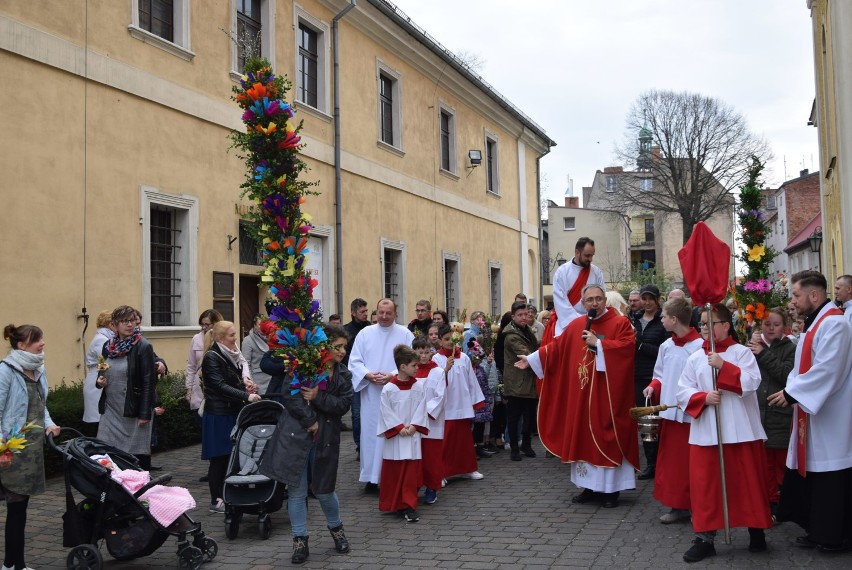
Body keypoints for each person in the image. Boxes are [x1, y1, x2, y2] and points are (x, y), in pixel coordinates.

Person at [517, 284, 638, 508]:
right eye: (589, 299)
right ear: (583, 303)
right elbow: (556, 348)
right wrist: (533, 359)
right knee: (583, 438)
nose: (594, 303)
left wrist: (599, 344)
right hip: (582, 397)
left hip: (607, 397)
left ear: (605, 301)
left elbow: (627, 349)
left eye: (598, 299)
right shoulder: (576, 325)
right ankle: (589, 487)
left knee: (606, 437)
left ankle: (611, 492)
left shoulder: (620, 323)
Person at [677, 303, 770, 562]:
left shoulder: (741, 353)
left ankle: (756, 531)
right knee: (707, 487)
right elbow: (682, 390)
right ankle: (705, 538)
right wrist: (703, 397)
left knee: (747, 483)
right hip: (707, 431)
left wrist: (724, 367)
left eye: (710, 323)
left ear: (726, 325)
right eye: (702, 324)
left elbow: (752, 383)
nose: (705, 329)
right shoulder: (695, 356)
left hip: (741, 429)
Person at [769, 270, 852, 553]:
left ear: (814, 295)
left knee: (831, 477)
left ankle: (834, 536)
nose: (793, 301)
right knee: (814, 474)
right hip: (813, 413)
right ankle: (817, 530)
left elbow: (828, 368)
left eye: (796, 295)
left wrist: (793, 393)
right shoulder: (815, 323)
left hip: (832, 416)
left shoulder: (835, 325)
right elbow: (802, 366)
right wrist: (792, 388)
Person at [259, 324, 352, 564]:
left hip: (326, 440)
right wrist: (310, 420)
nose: (342, 351)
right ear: (324, 345)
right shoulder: (304, 365)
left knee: (324, 489)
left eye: (344, 347)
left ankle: (337, 531)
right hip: (297, 437)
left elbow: (343, 405)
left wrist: (317, 397)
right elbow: (290, 394)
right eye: (337, 346)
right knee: (297, 492)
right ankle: (300, 540)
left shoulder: (343, 374)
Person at [0, 324, 61, 570]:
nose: (43, 343)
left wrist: (49, 424)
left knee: (20, 509)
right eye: (37, 339)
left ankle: (14, 564)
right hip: (10, 449)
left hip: (31, 450)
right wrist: (2, 449)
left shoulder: (38, 368)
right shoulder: (6, 371)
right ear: (21, 345)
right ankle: (13, 565)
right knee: (16, 508)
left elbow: (40, 404)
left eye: (42, 338)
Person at [641, 298, 702, 524]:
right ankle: (678, 506)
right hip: (670, 414)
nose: (662, 320)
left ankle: (699, 507)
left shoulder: (700, 346)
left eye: (664, 316)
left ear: (674, 319)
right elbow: (660, 375)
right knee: (673, 465)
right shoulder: (666, 346)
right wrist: (652, 387)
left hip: (692, 415)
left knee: (694, 465)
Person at [348, 299, 415, 493]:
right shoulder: (365, 334)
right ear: (375, 313)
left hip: (397, 394)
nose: (384, 317)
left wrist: (393, 375)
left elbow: (412, 362)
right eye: (381, 312)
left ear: (395, 313)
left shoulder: (404, 334)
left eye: (388, 313)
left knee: (393, 434)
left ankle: (393, 476)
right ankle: (371, 477)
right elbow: (355, 361)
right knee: (371, 435)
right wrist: (367, 375)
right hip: (371, 394)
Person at [200, 321, 260, 513]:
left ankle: (230, 492)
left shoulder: (231, 355)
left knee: (231, 456)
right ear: (220, 338)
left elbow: (232, 381)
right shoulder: (212, 357)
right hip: (218, 414)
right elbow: (219, 385)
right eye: (232, 335)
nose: (236, 338)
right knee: (219, 458)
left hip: (230, 411)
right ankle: (215, 499)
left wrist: (246, 386)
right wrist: (246, 395)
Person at [95, 306, 158, 470]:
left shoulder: (143, 346)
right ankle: (113, 489)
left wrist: (144, 413)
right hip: (111, 408)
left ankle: (140, 490)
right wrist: (100, 380)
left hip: (134, 409)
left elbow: (148, 382)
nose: (130, 325)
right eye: (124, 321)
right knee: (107, 451)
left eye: (132, 321)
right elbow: (102, 369)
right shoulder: (108, 346)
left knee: (136, 456)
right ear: (114, 325)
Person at [748, 307, 795, 516]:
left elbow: (786, 375)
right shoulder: (753, 346)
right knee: (764, 464)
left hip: (780, 415)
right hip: (758, 414)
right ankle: (769, 502)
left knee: (780, 464)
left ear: (784, 326)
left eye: (776, 325)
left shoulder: (790, 348)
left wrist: (764, 354)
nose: (771, 329)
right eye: (767, 324)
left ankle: (783, 502)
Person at [377, 345, 429, 523]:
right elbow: (385, 412)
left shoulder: (418, 387)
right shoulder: (389, 389)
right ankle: (396, 503)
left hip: (412, 435)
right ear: (402, 367)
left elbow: (422, 408)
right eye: (414, 365)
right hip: (397, 436)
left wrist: (414, 426)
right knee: (395, 472)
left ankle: (409, 505)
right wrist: (399, 427)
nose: (417, 368)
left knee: (410, 472)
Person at [433, 323, 485, 481]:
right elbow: (434, 382)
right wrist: (445, 369)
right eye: (446, 339)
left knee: (464, 441)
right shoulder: (436, 359)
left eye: (452, 339)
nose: (450, 342)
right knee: (446, 442)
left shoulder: (464, 358)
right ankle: (441, 473)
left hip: (462, 404)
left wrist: (476, 401)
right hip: (446, 406)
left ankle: (468, 468)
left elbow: (471, 380)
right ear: (440, 342)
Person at [632, 284, 668, 480]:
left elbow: (664, 352)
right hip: (637, 377)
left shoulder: (663, 322)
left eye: (650, 299)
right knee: (646, 422)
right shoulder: (634, 320)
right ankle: (651, 463)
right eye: (643, 298)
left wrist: (640, 346)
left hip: (655, 377)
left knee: (659, 421)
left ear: (657, 300)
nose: (646, 302)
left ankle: (663, 461)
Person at [547, 237, 606, 341]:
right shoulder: (562, 272)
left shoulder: (596, 272)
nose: (590, 259)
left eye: (592, 255)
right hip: (568, 323)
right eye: (587, 255)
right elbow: (561, 303)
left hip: (594, 322)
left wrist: (592, 320)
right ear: (577, 252)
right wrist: (581, 321)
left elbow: (602, 298)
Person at [502, 302, 540, 462]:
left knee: (529, 415)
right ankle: (515, 449)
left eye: (526, 314)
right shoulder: (511, 336)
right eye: (520, 315)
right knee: (514, 416)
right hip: (516, 381)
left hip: (528, 379)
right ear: (513, 317)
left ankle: (526, 444)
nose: (524, 317)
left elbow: (536, 346)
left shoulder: (526, 330)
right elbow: (526, 353)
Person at [412, 336, 448, 505]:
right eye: (420, 353)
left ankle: (432, 487)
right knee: (415, 457)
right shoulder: (409, 372)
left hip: (431, 423)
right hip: (413, 423)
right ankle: (416, 484)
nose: (424, 356)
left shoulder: (438, 371)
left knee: (431, 458)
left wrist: (424, 413)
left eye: (427, 352)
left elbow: (440, 396)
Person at [344, 298, 370, 449]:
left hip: (369, 375)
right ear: (354, 313)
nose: (365, 314)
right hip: (353, 376)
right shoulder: (346, 331)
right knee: (356, 413)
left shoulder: (370, 328)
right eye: (362, 312)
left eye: (366, 311)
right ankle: (359, 445)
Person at [186, 309, 223, 418]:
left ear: (216, 324)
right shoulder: (196, 339)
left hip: (218, 389)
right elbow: (191, 366)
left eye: (207, 325)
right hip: (199, 388)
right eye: (202, 324)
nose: (203, 328)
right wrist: (189, 389)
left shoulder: (223, 338)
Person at [83, 310, 114, 427]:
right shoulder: (102, 339)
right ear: (110, 324)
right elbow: (103, 362)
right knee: (99, 421)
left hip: (99, 379)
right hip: (97, 381)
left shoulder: (103, 337)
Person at [468, 340, 496, 459]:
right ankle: (472, 448)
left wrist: (489, 363)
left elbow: (486, 376)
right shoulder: (470, 369)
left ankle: (479, 446)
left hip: (483, 399)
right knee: (473, 425)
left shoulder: (480, 368)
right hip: (473, 400)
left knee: (481, 424)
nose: (478, 359)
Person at [241, 314, 272, 395]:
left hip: (272, 380)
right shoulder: (248, 341)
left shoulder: (272, 338)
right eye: (260, 324)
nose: (263, 327)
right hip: (258, 382)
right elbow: (246, 364)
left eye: (265, 324)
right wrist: (251, 383)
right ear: (254, 325)